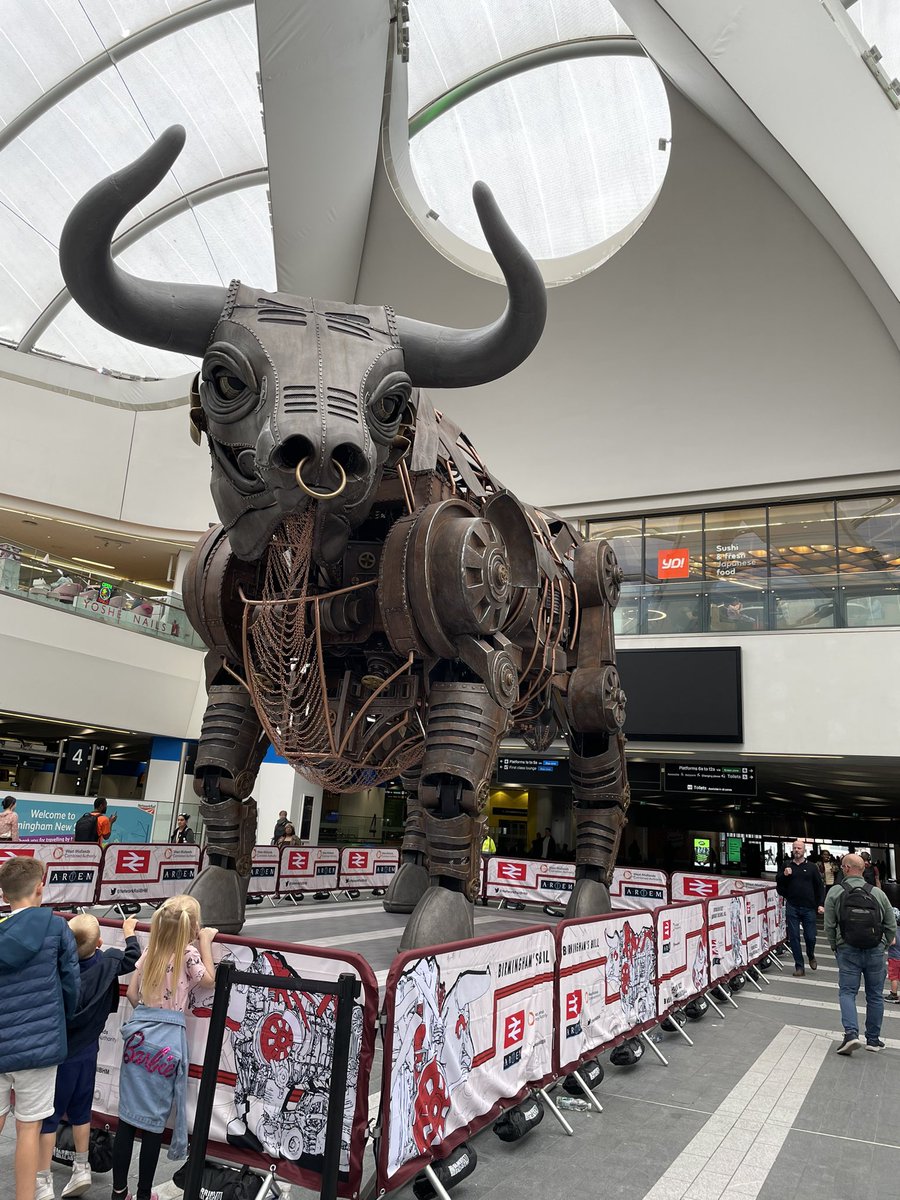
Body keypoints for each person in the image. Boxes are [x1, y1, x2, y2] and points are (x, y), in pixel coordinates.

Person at [111, 895, 216, 1200]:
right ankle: (144, 1194)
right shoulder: (189, 954)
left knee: (127, 1120)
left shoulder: (150, 951)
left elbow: (132, 993)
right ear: (192, 926)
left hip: (138, 1039)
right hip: (168, 1043)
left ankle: (119, 1192)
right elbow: (209, 980)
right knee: (153, 1125)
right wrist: (207, 942)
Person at [35, 914, 141, 1200]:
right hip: (88, 1053)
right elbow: (133, 956)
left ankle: (43, 1181)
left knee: (50, 1118)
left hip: (60, 1057)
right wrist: (129, 932)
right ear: (100, 942)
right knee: (82, 1112)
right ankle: (81, 1167)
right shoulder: (108, 963)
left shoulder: (58, 971)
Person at [0, 856, 79, 1200]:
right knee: (29, 1129)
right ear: (39, 887)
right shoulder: (58, 927)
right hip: (40, 1044)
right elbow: (70, 985)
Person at [824, 853, 897, 1053]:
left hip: (847, 949)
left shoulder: (835, 892)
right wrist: (882, 945)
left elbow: (829, 925)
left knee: (847, 992)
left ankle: (851, 1034)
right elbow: (891, 924)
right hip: (874, 950)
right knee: (874, 995)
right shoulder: (878, 893)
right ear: (863, 869)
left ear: (846, 868)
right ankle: (873, 1040)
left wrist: (835, 945)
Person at [776, 837, 825, 976]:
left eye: (799, 848)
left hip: (809, 907)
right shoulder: (787, 865)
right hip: (792, 906)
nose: (796, 850)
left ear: (804, 850)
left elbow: (819, 886)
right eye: (795, 848)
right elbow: (778, 882)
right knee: (794, 937)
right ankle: (799, 966)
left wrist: (820, 904)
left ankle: (811, 955)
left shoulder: (811, 867)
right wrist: (784, 876)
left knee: (810, 937)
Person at [886, 907, 900, 1005]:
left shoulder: (892, 930)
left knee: (894, 977)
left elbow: (893, 941)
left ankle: (894, 995)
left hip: (894, 957)